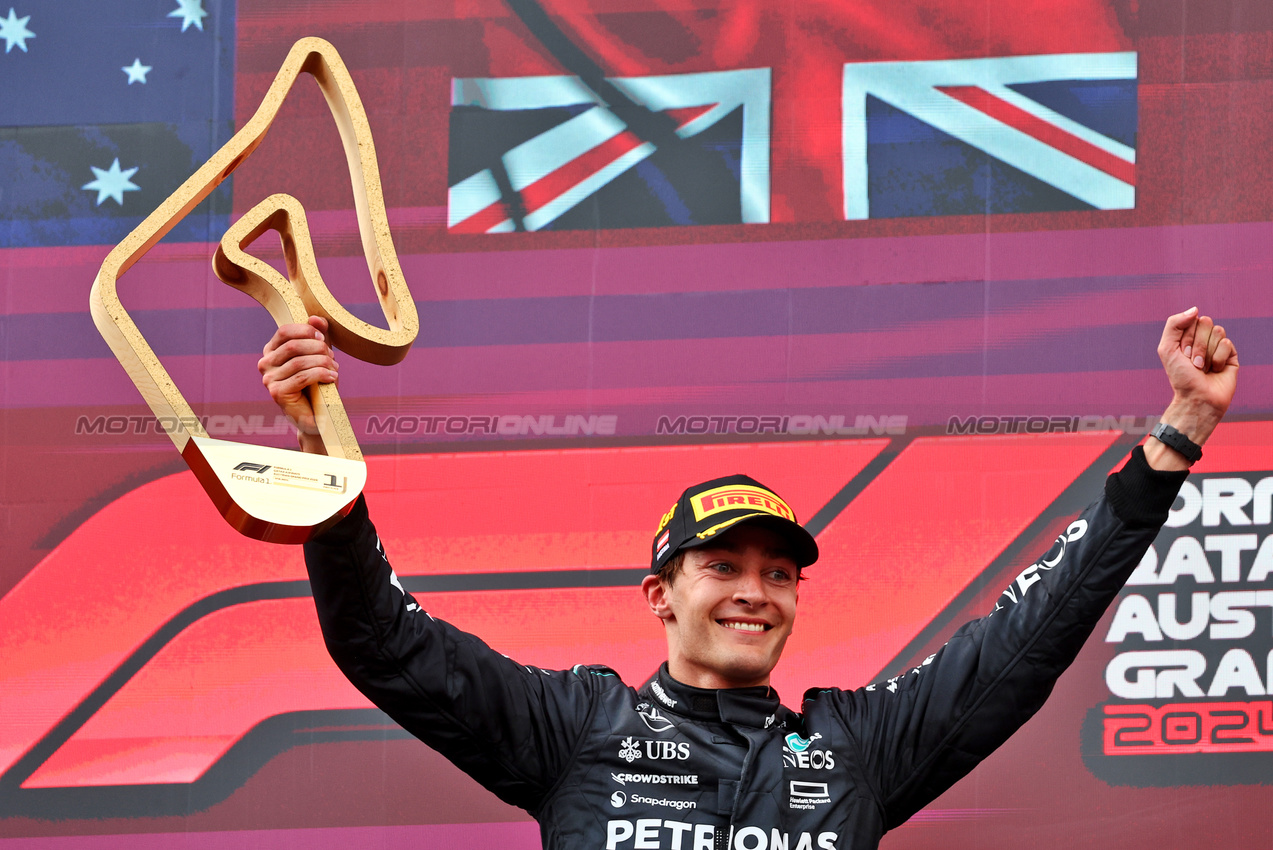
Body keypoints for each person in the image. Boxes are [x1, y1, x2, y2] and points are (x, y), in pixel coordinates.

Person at [259, 308, 1237, 850]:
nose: (752, 590)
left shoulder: (854, 745)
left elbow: (1026, 639)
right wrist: (322, 461)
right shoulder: (576, 729)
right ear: (659, 593)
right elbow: (382, 641)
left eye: (778, 572)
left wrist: (1177, 433)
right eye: (720, 564)